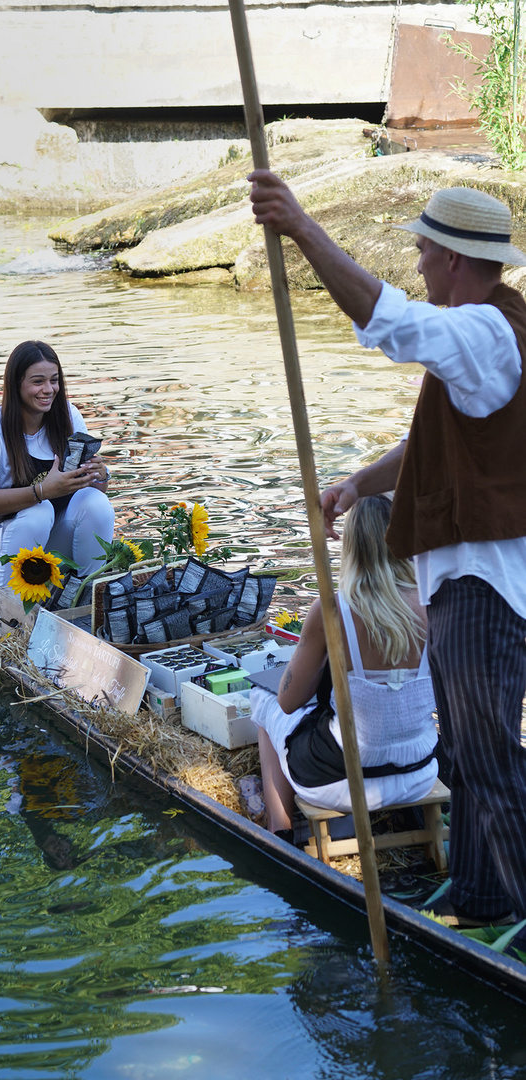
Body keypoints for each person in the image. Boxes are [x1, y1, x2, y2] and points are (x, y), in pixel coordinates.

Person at [249, 171, 526, 933]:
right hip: (471, 582)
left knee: (489, 756)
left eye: (422, 250)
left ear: (452, 258)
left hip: (484, 585)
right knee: (466, 757)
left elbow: (391, 321)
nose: (416, 263)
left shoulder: (481, 329)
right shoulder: (486, 335)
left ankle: (507, 914)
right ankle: (476, 898)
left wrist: (301, 226)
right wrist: (359, 482)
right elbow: (427, 442)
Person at [252, 494, 438, 840]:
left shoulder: (333, 610)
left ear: (351, 547)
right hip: (419, 772)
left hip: (343, 779)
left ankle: (280, 828)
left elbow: (288, 702)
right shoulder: (434, 602)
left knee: (261, 702)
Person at [0, 340, 114, 590]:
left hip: (46, 548)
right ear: (16, 384)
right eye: (38, 381)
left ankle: (87, 594)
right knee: (38, 510)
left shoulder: (69, 416)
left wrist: (100, 475)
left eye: (54, 380)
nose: (49, 389)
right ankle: (12, 614)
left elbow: (94, 492)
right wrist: (41, 491)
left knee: (96, 503)